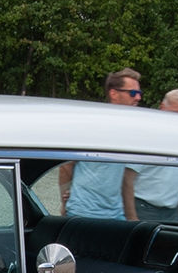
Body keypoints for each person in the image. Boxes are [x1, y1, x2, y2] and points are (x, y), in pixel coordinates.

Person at [59, 68, 142, 217]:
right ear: (113, 93)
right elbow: (66, 166)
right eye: (132, 93)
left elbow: (126, 179)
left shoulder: (130, 131)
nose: (138, 98)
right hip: (83, 212)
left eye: (139, 93)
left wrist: (132, 218)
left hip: (115, 214)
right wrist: (64, 203)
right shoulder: (92, 126)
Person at [122, 89, 178, 221]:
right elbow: (127, 179)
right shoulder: (147, 138)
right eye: (175, 113)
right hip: (144, 209)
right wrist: (131, 217)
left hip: (172, 211)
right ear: (162, 107)